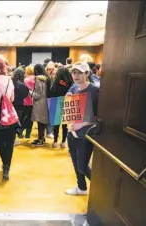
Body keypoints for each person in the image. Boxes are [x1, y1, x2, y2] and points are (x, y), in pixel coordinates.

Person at [65, 62, 99, 196]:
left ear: (87, 74)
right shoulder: (73, 88)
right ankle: (82, 187)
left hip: (86, 134)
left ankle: (101, 190)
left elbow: (101, 117)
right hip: (72, 132)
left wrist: (83, 124)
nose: (76, 75)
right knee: (75, 161)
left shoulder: (95, 91)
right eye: (74, 72)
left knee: (82, 166)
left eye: (80, 72)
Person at [50, 67, 74, 148]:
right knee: (65, 125)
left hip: (56, 104)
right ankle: (63, 142)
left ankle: (55, 142)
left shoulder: (55, 83)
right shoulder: (71, 84)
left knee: (56, 124)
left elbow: (51, 94)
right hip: (67, 105)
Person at [30, 64, 50, 146]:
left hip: (40, 104)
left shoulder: (38, 80)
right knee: (43, 122)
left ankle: (40, 140)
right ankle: (42, 138)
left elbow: (37, 95)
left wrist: (30, 92)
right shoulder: (47, 79)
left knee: (40, 122)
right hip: (46, 103)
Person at [11, 68, 29, 145]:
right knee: (16, 123)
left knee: (11, 123)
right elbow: (25, 95)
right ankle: (13, 140)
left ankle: (11, 139)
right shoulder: (21, 85)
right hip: (19, 106)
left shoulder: (11, 82)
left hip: (11, 105)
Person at [22, 65, 35, 138]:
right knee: (31, 118)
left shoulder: (26, 80)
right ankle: (28, 134)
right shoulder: (36, 79)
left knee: (24, 117)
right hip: (34, 101)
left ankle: (21, 132)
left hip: (26, 101)